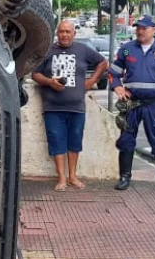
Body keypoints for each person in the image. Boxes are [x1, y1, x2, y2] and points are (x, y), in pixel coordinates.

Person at [31, 20, 108, 191]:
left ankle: (73, 176)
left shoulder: (82, 50)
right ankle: (62, 178)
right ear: (57, 33)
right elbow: (35, 73)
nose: (64, 35)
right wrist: (50, 82)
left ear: (74, 33)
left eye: (68, 31)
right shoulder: (47, 51)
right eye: (61, 32)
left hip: (76, 107)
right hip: (53, 107)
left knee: (75, 142)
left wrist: (92, 80)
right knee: (56, 141)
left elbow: (103, 63)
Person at [108, 15, 155, 193]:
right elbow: (113, 72)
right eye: (138, 28)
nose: (140, 31)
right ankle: (124, 177)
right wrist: (117, 86)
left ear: (154, 29)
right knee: (126, 139)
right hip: (131, 103)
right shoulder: (126, 49)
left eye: (144, 28)